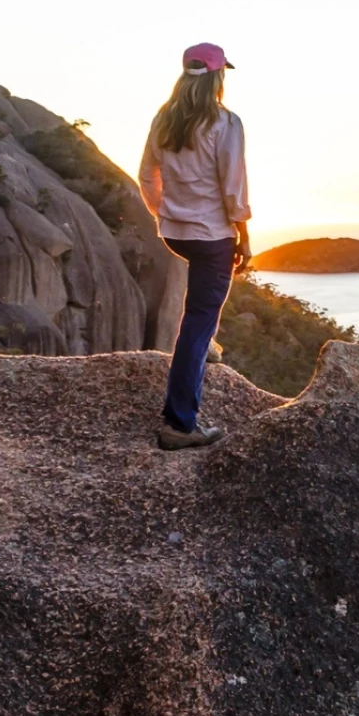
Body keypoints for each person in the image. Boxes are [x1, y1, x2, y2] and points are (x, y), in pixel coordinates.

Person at [138, 42, 251, 448]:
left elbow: (147, 175)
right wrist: (245, 236)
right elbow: (233, 188)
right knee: (199, 315)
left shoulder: (164, 120)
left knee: (201, 308)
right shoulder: (225, 123)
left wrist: (165, 214)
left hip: (175, 232)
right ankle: (179, 424)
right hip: (211, 234)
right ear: (219, 76)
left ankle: (207, 346)